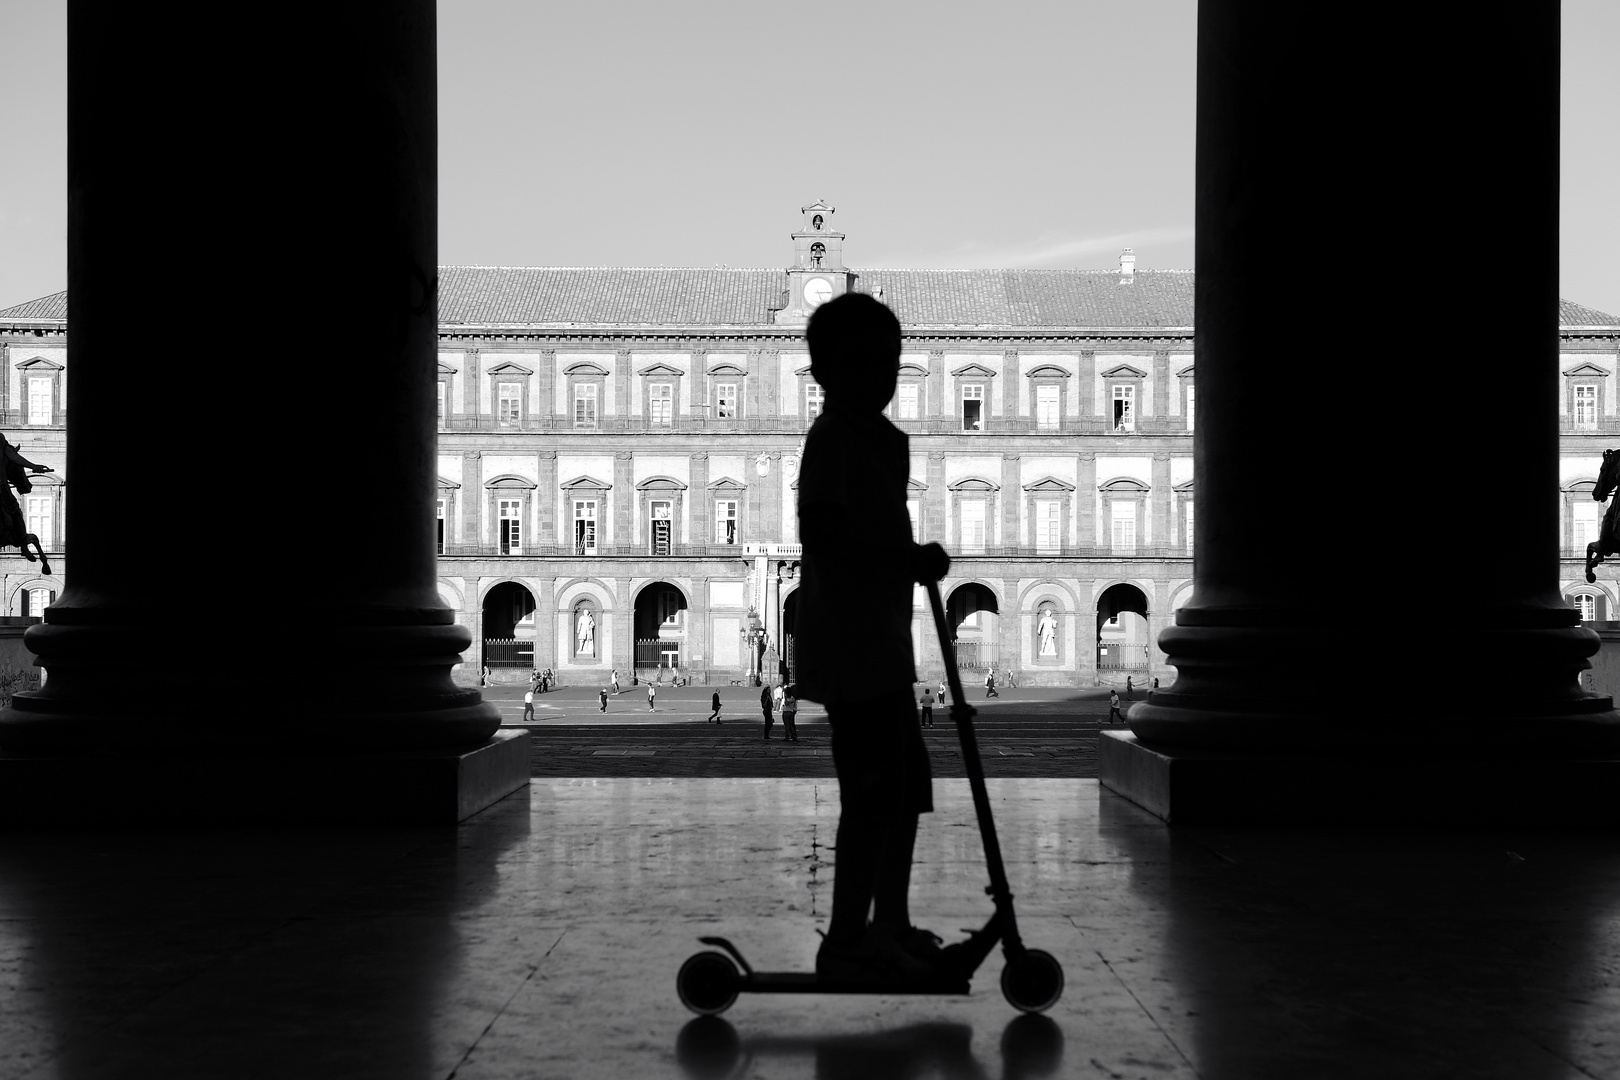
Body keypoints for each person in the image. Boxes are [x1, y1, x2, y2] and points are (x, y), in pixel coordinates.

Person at [794, 292, 955, 985]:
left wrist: (910, 556)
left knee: (906, 786)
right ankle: (846, 939)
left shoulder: (883, 441)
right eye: (861, 361)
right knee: (871, 794)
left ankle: (888, 922)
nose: (880, 373)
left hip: (883, 643)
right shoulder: (832, 437)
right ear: (824, 370)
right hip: (851, 645)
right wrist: (905, 559)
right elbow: (825, 536)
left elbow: (872, 534)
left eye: (889, 359)